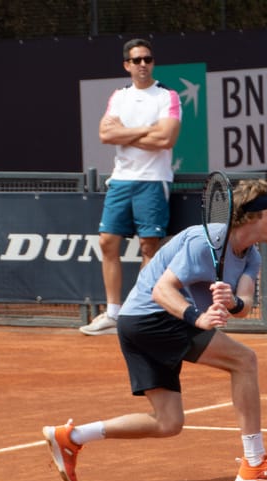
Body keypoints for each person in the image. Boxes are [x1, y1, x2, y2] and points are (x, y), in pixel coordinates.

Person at [43, 179, 267, 481]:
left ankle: (71, 437)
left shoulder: (252, 255)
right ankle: (254, 462)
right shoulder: (204, 241)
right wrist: (198, 318)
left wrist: (231, 301)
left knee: (168, 422)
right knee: (244, 361)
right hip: (150, 317)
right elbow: (161, 289)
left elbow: (245, 305)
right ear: (251, 216)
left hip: (140, 324)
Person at [80, 37, 182, 336]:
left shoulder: (167, 96)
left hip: (153, 181)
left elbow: (166, 139)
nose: (142, 65)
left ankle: (137, 311)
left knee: (150, 246)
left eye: (147, 59)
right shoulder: (119, 96)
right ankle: (112, 313)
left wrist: (123, 133)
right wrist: (147, 130)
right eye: (136, 60)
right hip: (121, 179)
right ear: (127, 65)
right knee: (107, 242)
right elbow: (104, 134)